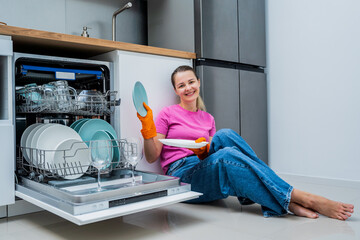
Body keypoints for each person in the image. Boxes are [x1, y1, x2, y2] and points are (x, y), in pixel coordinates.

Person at [136, 65, 354, 220]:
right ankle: (299, 198)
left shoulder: (207, 118)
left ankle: (284, 197)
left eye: (191, 82)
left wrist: (203, 152)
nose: (188, 88)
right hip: (182, 174)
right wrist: (148, 129)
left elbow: (210, 153)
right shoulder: (167, 113)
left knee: (225, 135)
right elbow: (153, 155)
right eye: (181, 85)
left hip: (202, 166)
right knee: (226, 156)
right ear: (176, 91)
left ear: (198, 83)